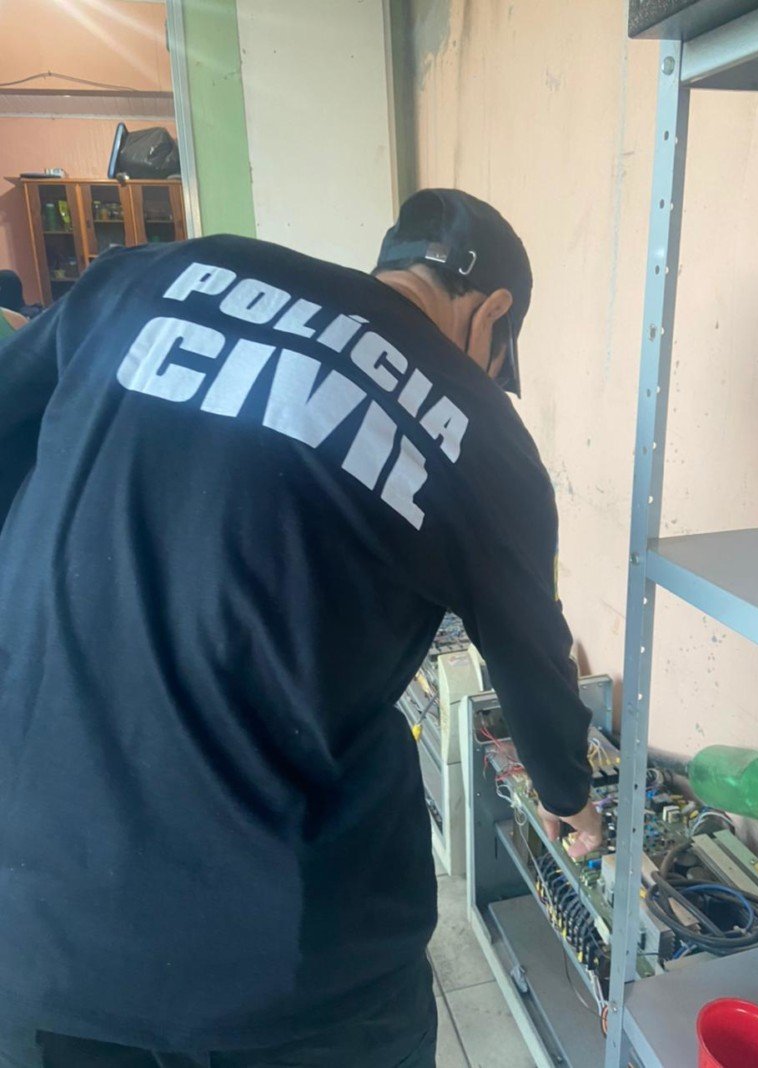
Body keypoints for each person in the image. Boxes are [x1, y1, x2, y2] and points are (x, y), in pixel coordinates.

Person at [0, 189, 601, 1068]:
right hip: (300, 972)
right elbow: (535, 664)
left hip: (44, 930)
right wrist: (568, 797)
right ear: (493, 316)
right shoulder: (478, 427)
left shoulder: (156, 273)